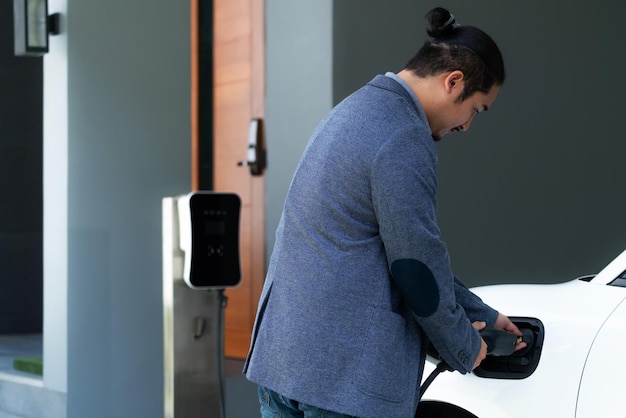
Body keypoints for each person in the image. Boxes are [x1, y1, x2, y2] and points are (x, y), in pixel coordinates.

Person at [244, 7, 525, 418]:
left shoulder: (354, 111)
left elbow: (393, 250)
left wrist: (481, 315)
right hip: (344, 385)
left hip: (285, 366)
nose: (467, 126)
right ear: (453, 82)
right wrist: (465, 344)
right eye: (477, 110)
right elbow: (415, 266)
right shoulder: (404, 137)